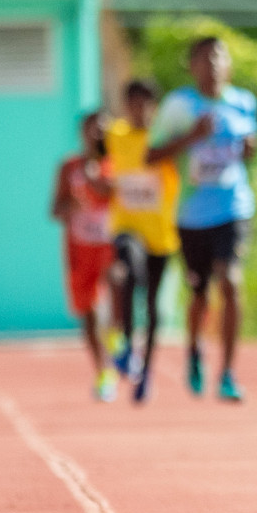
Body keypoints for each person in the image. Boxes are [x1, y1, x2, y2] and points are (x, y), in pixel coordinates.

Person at [147, 37, 257, 403]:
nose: (211, 65)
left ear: (228, 65)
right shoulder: (180, 105)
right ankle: (194, 349)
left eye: (218, 57)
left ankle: (227, 371)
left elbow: (244, 152)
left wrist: (248, 151)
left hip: (234, 208)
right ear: (192, 66)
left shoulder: (244, 102)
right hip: (192, 216)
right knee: (200, 294)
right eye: (203, 58)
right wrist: (190, 137)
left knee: (231, 281)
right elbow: (152, 155)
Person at [105, 79, 180, 403]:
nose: (140, 109)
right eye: (133, 103)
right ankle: (123, 345)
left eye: (146, 103)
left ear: (154, 106)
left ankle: (145, 373)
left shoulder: (163, 141)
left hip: (160, 234)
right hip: (126, 226)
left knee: (153, 310)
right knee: (127, 270)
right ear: (125, 105)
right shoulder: (114, 135)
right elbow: (93, 147)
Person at [51, 111, 118, 401]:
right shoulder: (69, 166)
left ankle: (118, 338)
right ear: (82, 132)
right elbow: (55, 209)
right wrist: (72, 209)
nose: (97, 135)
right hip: (80, 247)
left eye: (103, 130)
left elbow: (116, 193)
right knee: (88, 312)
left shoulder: (116, 164)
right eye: (92, 129)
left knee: (118, 282)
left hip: (111, 244)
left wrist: (95, 183)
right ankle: (103, 372)